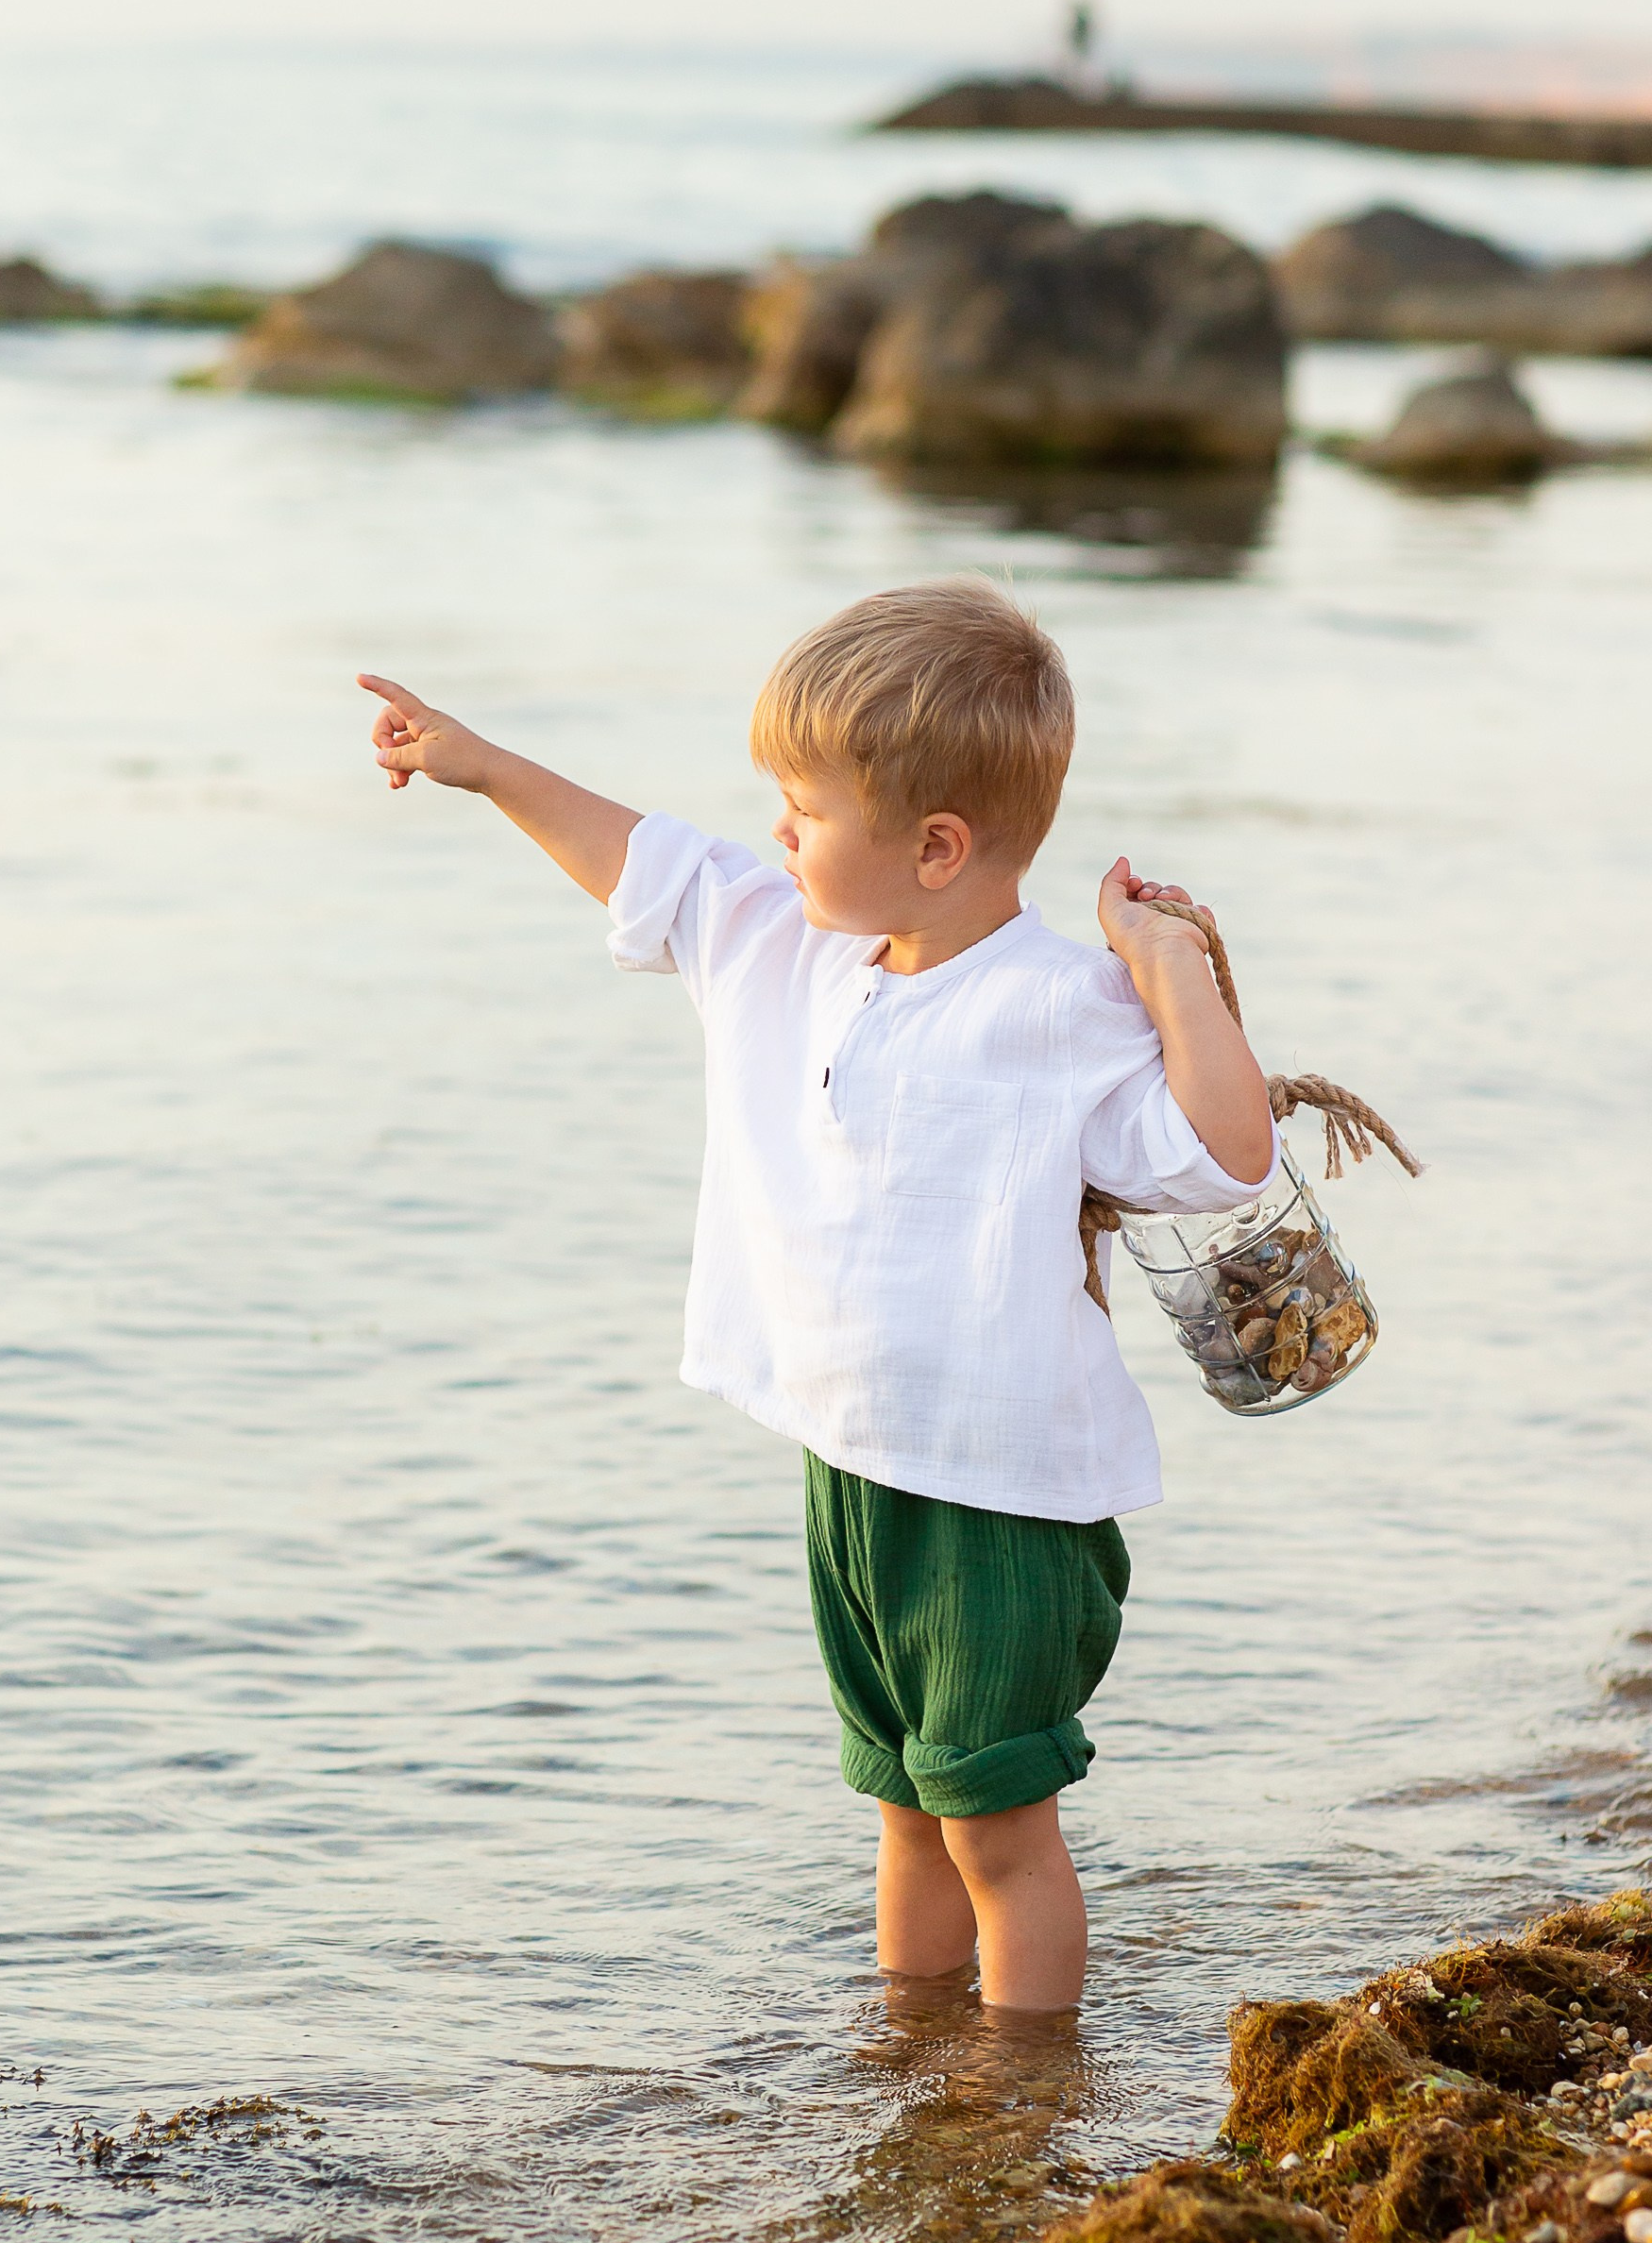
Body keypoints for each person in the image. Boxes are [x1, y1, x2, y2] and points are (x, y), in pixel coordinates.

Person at [359, 582, 1274, 2014]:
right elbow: (634, 856)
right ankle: (913, 2075)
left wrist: (1170, 974)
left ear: (934, 847)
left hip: (1000, 1498)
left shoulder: (1054, 1005)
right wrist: (479, 766)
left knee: (996, 1828)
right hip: (852, 1466)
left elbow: (1227, 1155)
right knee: (902, 1803)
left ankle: (1018, 2102)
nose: (775, 831)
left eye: (805, 806)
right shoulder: (781, 944)